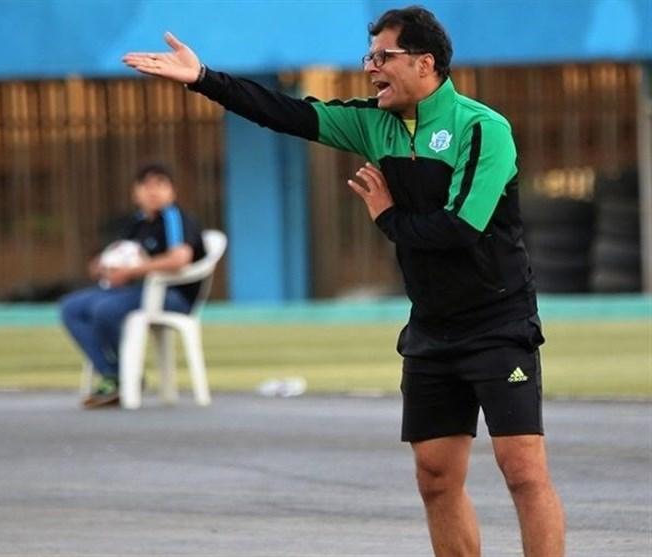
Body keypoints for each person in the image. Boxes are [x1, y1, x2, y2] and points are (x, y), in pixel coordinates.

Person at [123, 6, 565, 557]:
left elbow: (460, 229)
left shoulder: (482, 128)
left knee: (522, 469)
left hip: (498, 321)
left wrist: (387, 216)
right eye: (368, 56)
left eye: (384, 56)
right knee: (434, 477)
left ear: (425, 62)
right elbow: (285, 113)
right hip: (432, 327)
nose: (370, 67)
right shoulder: (371, 122)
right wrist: (203, 78)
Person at [60, 163, 206, 409]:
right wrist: (103, 266)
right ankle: (115, 374)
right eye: (146, 186)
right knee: (72, 308)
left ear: (173, 191)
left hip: (172, 295)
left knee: (105, 309)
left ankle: (124, 375)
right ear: (135, 193)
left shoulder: (176, 218)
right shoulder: (136, 223)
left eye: (160, 184)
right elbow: (120, 253)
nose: (153, 191)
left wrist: (131, 271)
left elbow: (179, 259)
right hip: (135, 292)